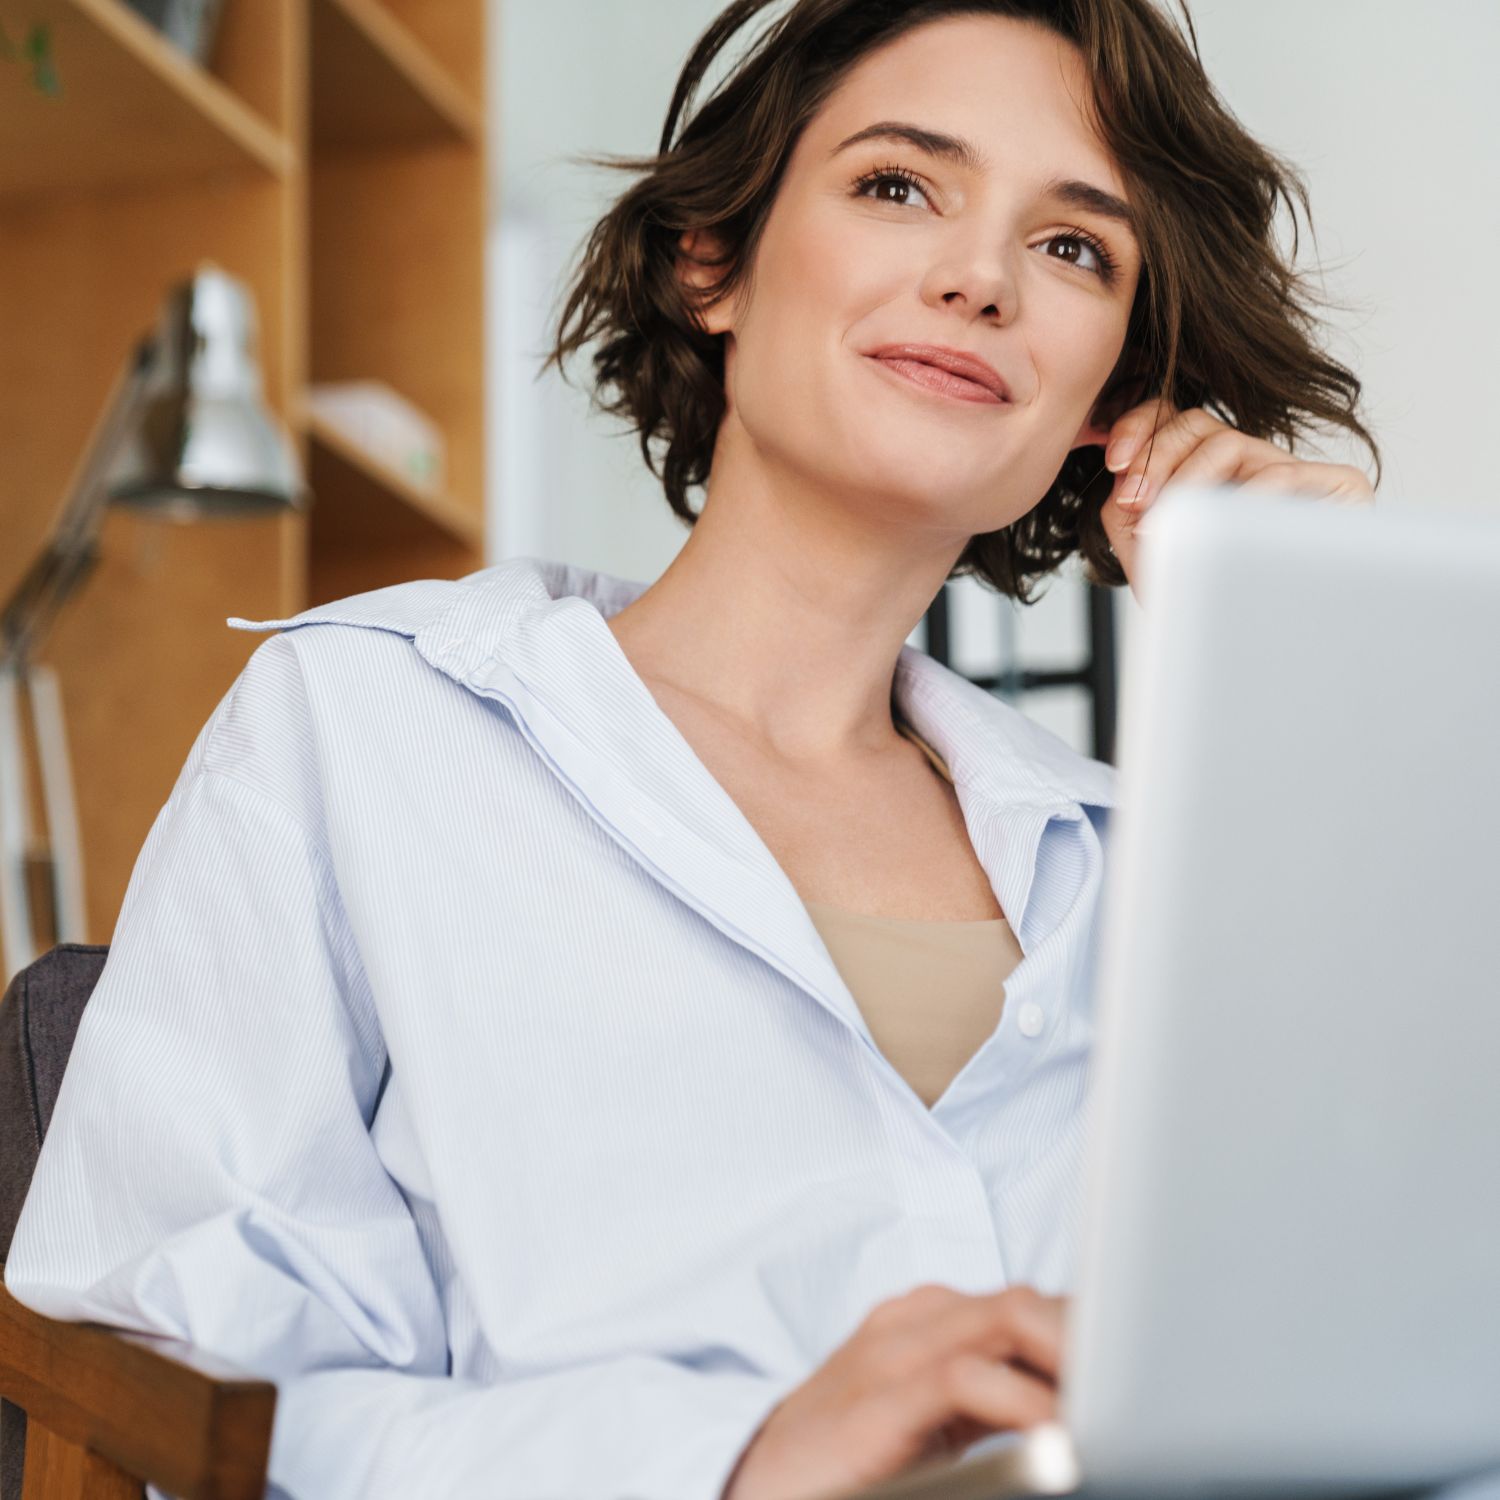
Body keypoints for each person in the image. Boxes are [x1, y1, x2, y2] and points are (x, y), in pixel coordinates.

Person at [4, 2, 1376, 1498]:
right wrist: (730, 1461)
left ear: (1113, 396)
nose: (982, 278)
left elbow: (1384, 1324)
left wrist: (1313, 693)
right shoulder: (363, 727)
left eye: (1075, 250)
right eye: (899, 184)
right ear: (708, 262)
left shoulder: (1164, 862)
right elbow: (173, 1409)